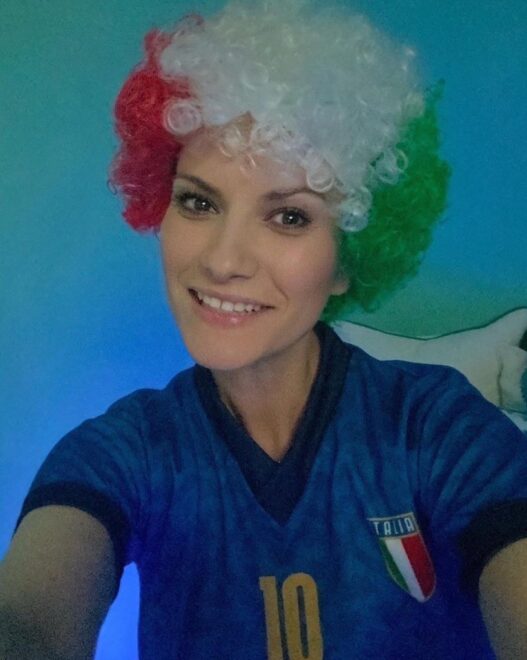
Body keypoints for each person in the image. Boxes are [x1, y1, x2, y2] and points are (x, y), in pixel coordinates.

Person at [1, 1, 526, 658]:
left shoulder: (433, 427)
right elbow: (29, 616)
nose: (223, 260)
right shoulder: (126, 451)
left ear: (347, 258)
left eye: (289, 218)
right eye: (198, 201)